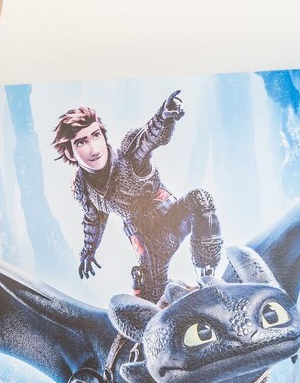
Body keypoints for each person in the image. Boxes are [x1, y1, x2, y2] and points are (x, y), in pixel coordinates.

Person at [51, 90, 224, 303]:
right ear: (70, 152)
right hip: (149, 243)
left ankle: (208, 281)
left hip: (171, 217)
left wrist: (163, 116)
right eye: (81, 142)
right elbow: (94, 218)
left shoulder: (129, 156)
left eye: (96, 135)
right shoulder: (82, 186)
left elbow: (147, 138)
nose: (94, 148)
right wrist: (88, 251)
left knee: (200, 201)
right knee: (151, 299)